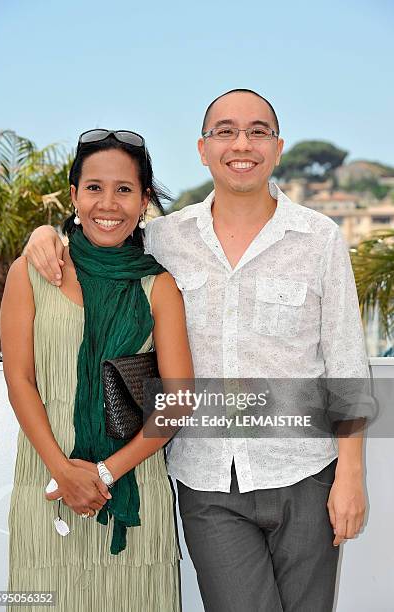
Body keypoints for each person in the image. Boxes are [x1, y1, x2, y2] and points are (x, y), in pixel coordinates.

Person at [24, 90, 368, 612]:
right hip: (206, 482)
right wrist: (43, 236)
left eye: (258, 131)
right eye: (225, 131)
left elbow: (346, 364)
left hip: (307, 474)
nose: (241, 144)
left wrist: (351, 477)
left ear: (278, 147)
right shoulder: (163, 238)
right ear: (203, 148)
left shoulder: (318, 238)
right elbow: (97, 237)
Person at [0, 129, 194, 612]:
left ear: (144, 200)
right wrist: (63, 470)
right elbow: (20, 381)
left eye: (124, 190)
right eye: (94, 187)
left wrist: (103, 474)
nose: (108, 203)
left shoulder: (158, 285)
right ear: (73, 195)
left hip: (132, 487)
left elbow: (179, 400)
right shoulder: (32, 271)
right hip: (45, 483)